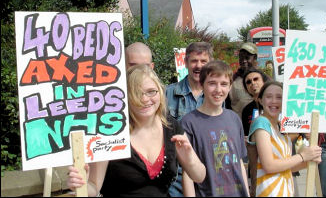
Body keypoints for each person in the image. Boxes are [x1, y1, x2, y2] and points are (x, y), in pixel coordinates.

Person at [67, 65, 206, 196]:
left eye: (151, 91)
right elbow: (93, 187)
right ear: (125, 97)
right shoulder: (110, 132)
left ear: (160, 91)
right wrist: (81, 184)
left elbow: (199, 176)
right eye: (136, 93)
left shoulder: (171, 126)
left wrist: (190, 160)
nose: (145, 99)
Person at [181, 60, 249, 197]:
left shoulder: (234, 118)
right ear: (202, 85)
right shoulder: (188, 123)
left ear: (230, 87)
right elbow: (187, 172)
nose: (218, 90)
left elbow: (239, 161)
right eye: (212, 83)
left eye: (224, 84)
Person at [248, 81, 322, 197]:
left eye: (279, 97)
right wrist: (302, 156)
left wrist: (309, 160)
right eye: (269, 97)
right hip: (267, 192)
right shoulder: (261, 123)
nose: (274, 101)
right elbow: (269, 166)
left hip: (284, 190)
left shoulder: (279, 126)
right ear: (261, 100)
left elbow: (286, 167)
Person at [166, 41, 213, 196]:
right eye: (194, 61)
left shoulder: (217, 96)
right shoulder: (168, 94)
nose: (198, 66)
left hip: (207, 174)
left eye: (203, 61)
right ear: (185, 62)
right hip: (175, 178)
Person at [227, 42, 259, 118]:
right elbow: (227, 106)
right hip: (239, 126)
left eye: (247, 58)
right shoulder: (233, 81)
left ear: (255, 58)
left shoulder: (263, 79)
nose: (244, 61)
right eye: (241, 58)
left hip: (259, 127)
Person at [241, 68, 269, 136]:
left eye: (256, 79)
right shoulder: (246, 110)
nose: (253, 83)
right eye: (248, 82)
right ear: (246, 88)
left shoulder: (275, 103)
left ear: (264, 82)